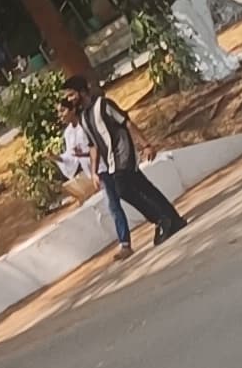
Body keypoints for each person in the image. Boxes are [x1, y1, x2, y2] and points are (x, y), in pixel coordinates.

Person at [76, 84, 184, 255]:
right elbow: (93, 146)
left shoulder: (104, 105)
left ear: (82, 92)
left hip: (124, 153)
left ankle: (161, 218)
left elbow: (127, 123)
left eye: (70, 94)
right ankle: (173, 219)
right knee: (144, 187)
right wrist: (94, 172)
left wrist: (146, 145)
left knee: (122, 189)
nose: (69, 99)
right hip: (112, 161)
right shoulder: (83, 118)